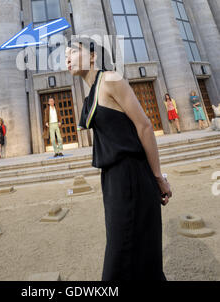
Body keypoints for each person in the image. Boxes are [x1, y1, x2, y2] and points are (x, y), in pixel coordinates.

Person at [65, 36, 171, 281]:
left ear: (93, 55)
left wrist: (158, 177)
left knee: (121, 256)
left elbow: (144, 126)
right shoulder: (90, 93)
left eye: (73, 51)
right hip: (112, 180)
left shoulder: (111, 79)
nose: (67, 58)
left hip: (132, 176)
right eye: (65, 55)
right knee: (130, 250)